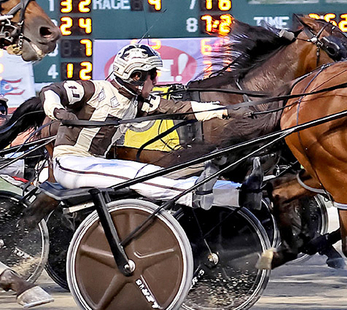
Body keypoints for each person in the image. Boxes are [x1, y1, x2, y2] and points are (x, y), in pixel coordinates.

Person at [40, 43, 261, 209]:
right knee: (142, 174)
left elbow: (181, 108)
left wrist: (225, 111)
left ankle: (238, 194)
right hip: (70, 164)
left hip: (95, 165)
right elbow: (51, 91)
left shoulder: (139, 102)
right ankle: (191, 195)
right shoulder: (95, 90)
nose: (155, 81)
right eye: (152, 75)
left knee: (157, 175)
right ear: (135, 76)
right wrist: (57, 111)